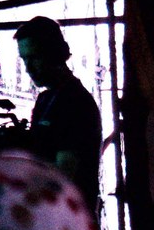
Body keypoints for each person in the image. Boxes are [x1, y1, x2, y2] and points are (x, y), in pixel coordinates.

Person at [9, 17, 105, 202]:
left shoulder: (76, 102)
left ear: (54, 54)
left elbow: (62, 176)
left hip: (69, 219)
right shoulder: (45, 100)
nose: (28, 68)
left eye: (34, 58)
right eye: (24, 59)